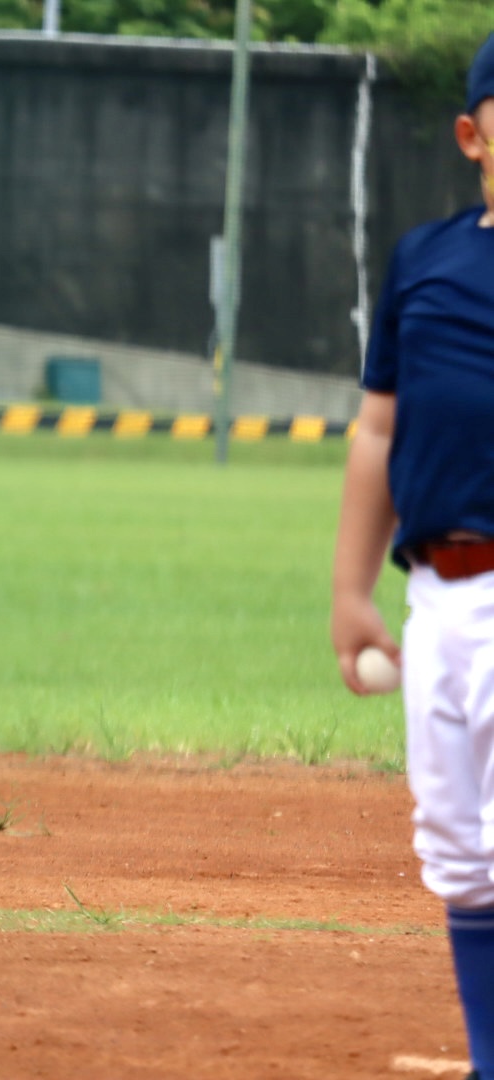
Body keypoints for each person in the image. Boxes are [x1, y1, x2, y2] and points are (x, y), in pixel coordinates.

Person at [331, 33, 494, 1080]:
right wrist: (351, 589)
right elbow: (377, 432)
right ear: (473, 135)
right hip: (439, 595)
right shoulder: (424, 261)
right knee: (460, 850)